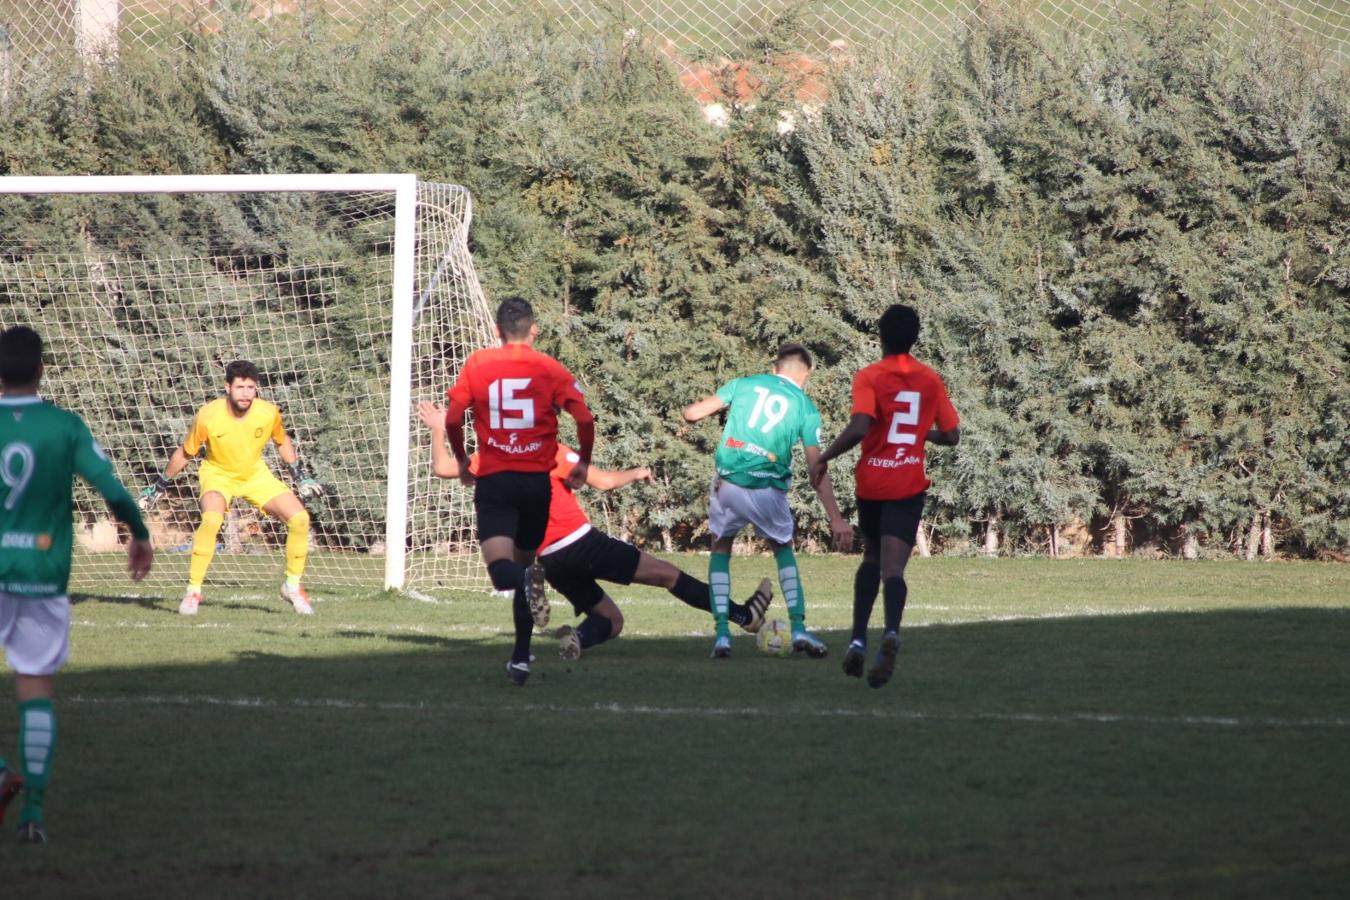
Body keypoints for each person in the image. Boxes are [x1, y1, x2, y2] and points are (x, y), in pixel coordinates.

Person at [419, 402, 771, 659]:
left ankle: (578, 638)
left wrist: (438, 427)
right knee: (668, 575)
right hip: (581, 544)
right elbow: (603, 482)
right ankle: (744, 616)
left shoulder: (493, 457)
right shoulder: (552, 452)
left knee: (611, 620)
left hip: (550, 560)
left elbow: (442, 467)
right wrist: (635, 473)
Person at [0, 325, 154, 844]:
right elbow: (111, 487)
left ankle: (1, 773)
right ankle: (33, 815)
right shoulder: (65, 426)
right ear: (41, 370)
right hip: (43, 576)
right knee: (35, 690)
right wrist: (139, 533)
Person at [444, 297, 595, 686]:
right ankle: (521, 658)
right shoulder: (550, 368)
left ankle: (524, 620)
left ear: (497, 331)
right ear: (534, 330)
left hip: (496, 480)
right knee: (526, 567)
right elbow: (584, 418)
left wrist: (461, 459)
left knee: (504, 572)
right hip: (535, 484)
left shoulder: (478, 363)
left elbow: (453, 418)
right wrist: (583, 461)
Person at [809, 305, 959, 688]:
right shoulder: (930, 379)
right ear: (915, 337)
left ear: (881, 336)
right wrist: (920, 433)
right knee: (894, 570)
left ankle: (858, 639)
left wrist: (824, 457)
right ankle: (891, 632)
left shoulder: (869, 376)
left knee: (871, 559)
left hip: (873, 484)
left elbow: (860, 426)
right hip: (907, 484)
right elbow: (951, 435)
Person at [683, 343, 853, 659]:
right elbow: (816, 467)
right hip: (768, 488)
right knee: (783, 549)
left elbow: (692, 414)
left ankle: (722, 636)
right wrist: (836, 518)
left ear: (774, 368)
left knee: (721, 547)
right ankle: (798, 627)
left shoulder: (744, 384)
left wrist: (696, 410)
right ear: (807, 374)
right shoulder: (805, 407)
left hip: (728, 483)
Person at [138, 360, 324, 616]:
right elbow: (185, 452)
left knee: (300, 519)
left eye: (250, 387)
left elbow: (282, 441)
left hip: (255, 475)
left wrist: (300, 476)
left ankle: (291, 587)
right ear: (227, 387)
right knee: (212, 519)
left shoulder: (268, 412)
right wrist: (159, 486)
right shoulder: (208, 416)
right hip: (218, 474)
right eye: (240, 387)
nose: (246, 393)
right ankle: (193, 592)